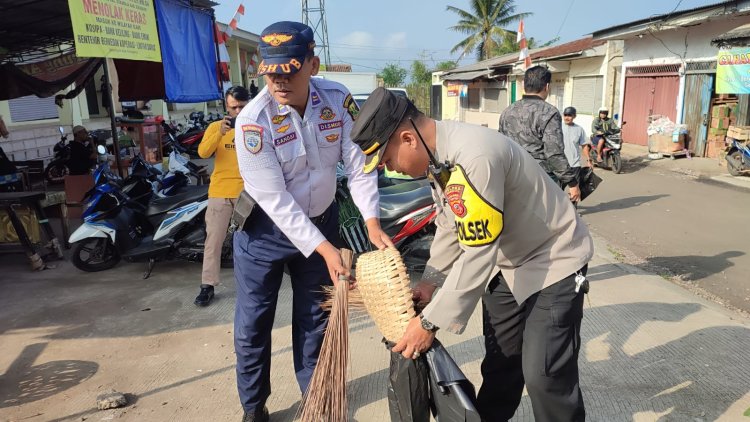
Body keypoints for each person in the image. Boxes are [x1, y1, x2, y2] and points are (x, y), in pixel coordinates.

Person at [352, 87, 594, 422]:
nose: (391, 169)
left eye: (387, 161)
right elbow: (452, 225)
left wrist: (429, 322)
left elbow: (479, 251)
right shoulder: (439, 158)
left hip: (554, 259)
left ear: (408, 138)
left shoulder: (474, 154)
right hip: (507, 263)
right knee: (501, 367)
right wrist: (431, 283)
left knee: (545, 376)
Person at [232, 21, 393, 422]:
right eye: (270, 72)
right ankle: (254, 407)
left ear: (311, 63)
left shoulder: (336, 100)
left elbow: (359, 166)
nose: (279, 82)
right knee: (253, 324)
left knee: (316, 318)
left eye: (289, 70)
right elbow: (274, 199)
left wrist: (371, 221)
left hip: (321, 219)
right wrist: (324, 248)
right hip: (264, 231)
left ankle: (317, 398)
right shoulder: (253, 121)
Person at [193, 86, 249, 307]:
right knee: (213, 241)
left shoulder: (255, 126)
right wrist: (220, 133)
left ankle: (251, 283)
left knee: (250, 242)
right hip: (220, 192)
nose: (237, 111)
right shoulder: (216, 127)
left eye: (241, 107)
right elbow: (203, 153)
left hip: (247, 194)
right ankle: (207, 285)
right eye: (233, 107)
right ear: (227, 107)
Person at [498, 65, 581, 202]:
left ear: (525, 86)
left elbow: (501, 145)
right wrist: (572, 183)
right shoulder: (549, 112)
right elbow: (554, 153)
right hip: (541, 180)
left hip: (511, 177)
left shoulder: (508, 111)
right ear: (547, 86)